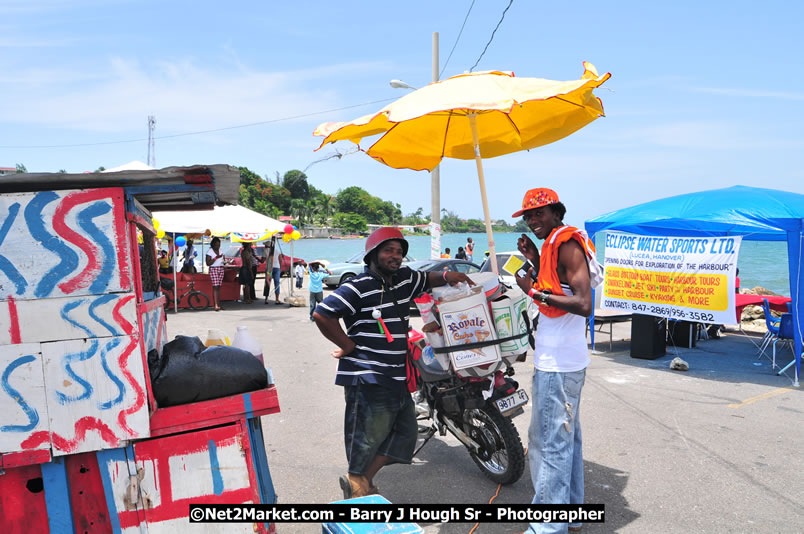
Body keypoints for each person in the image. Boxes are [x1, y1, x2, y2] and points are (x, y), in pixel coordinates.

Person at [313, 227, 474, 498]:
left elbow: (426, 277)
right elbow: (323, 314)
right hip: (367, 376)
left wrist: (448, 275)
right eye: (389, 250)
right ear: (373, 254)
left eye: (399, 252)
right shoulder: (357, 286)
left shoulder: (403, 279)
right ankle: (358, 487)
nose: (395, 256)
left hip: (396, 375)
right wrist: (348, 345)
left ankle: (360, 480)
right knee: (365, 436)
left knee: (406, 433)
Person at [512, 187, 599, 534]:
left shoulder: (566, 244)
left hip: (558, 365)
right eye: (528, 216)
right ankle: (571, 514)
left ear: (556, 212)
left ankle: (546, 527)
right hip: (565, 360)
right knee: (566, 439)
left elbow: (582, 303)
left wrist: (530, 291)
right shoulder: (553, 246)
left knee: (548, 444)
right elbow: (558, 284)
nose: (533, 220)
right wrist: (533, 259)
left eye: (539, 214)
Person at [206, 237, 226, 311]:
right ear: (213, 245)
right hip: (213, 268)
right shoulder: (209, 252)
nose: (218, 246)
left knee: (219, 287)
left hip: (221, 268)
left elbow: (223, 259)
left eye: (219, 245)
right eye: (216, 245)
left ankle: (218, 304)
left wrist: (224, 260)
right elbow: (208, 263)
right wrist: (215, 258)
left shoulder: (221, 250)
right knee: (215, 286)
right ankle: (216, 305)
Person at [265, 237, 282, 305]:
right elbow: (280, 259)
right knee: (277, 283)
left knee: (267, 283)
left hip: (269, 268)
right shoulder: (277, 250)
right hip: (277, 267)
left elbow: (264, 259)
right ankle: (277, 299)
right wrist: (280, 268)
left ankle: (266, 299)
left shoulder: (266, 251)